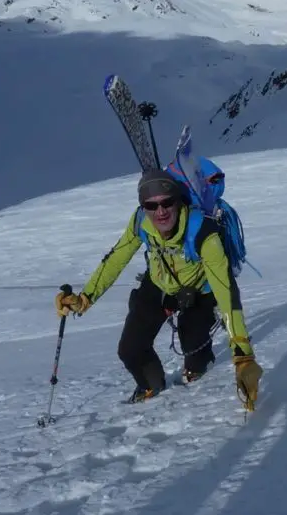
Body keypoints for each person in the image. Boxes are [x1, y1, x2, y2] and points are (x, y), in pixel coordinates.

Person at [55, 168, 263, 409]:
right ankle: (150, 385)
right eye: (151, 206)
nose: (160, 211)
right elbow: (116, 258)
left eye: (167, 202)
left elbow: (226, 291)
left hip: (200, 291)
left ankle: (199, 364)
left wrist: (243, 356)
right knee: (130, 349)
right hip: (159, 284)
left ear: (178, 201)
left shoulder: (203, 233)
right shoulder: (141, 222)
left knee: (193, 352)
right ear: (143, 207)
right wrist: (85, 298)